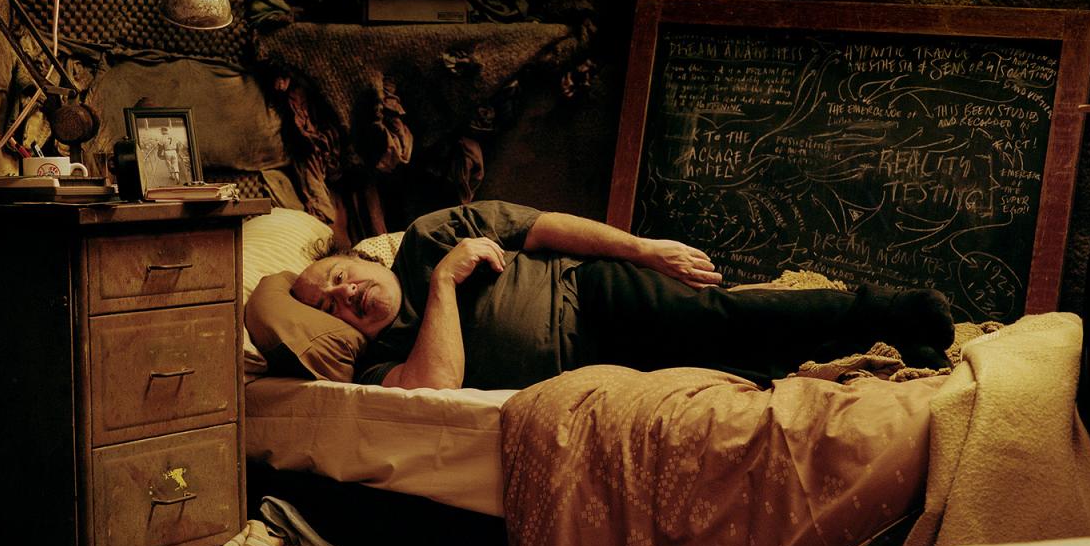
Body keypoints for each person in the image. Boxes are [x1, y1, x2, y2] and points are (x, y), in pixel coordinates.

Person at [291, 201, 955, 391]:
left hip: (592, 294)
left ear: (358, 255)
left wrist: (644, 249)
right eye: (329, 305)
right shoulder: (379, 365)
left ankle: (889, 309)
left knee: (722, 318)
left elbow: (543, 226)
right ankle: (891, 351)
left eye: (339, 276)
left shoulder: (430, 235)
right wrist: (444, 283)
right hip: (585, 374)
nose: (346, 293)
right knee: (745, 375)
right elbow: (436, 389)